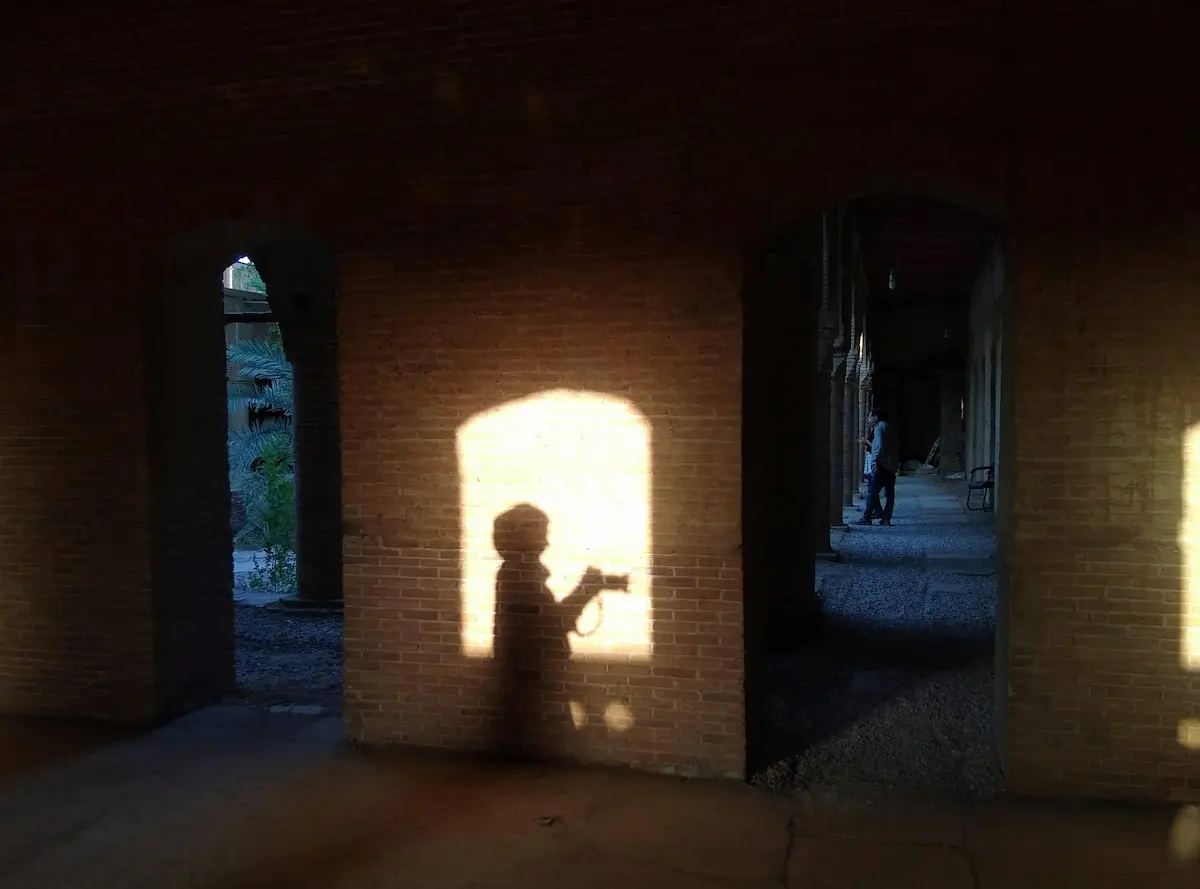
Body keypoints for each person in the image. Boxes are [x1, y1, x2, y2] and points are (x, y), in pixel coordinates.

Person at [856, 408, 900, 526]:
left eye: (870, 417)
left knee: (872, 491)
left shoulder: (879, 427)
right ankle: (886, 519)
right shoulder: (891, 427)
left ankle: (867, 517)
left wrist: (875, 461)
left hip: (882, 464)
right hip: (891, 464)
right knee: (890, 494)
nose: (869, 420)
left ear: (876, 417)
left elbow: (878, 445)